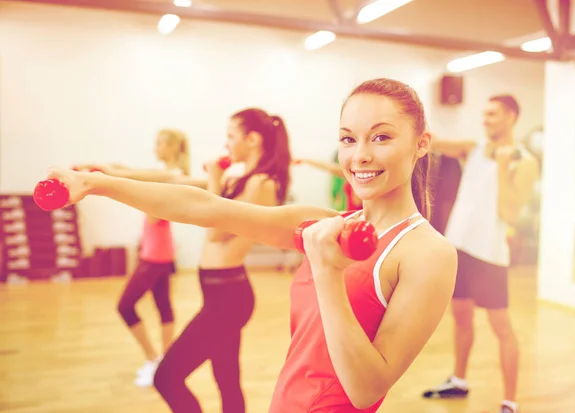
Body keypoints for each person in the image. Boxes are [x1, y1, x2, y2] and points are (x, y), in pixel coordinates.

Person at [44, 78, 457, 412]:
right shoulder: (327, 225)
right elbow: (204, 207)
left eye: (381, 137)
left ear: (421, 143)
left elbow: (366, 389)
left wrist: (327, 273)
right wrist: (96, 184)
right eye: (349, 140)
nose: (360, 155)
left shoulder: (427, 254)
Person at [82, 108, 291, 412]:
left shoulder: (263, 184)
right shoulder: (243, 178)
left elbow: (218, 233)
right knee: (227, 379)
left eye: (231, 137)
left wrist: (215, 181)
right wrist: (108, 173)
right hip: (219, 292)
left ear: (252, 139)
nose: (226, 145)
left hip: (230, 297)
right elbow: (170, 179)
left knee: (166, 378)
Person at [422, 95, 540, 413]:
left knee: (501, 327)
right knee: (460, 318)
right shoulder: (472, 149)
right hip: (458, 248)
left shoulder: (525, 161)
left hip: (489, 256)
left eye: (493, 114)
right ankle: (459, 381)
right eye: (484, 113)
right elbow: (432, 142)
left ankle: (510, 401)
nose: (485, 119)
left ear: (511, 116)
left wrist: (502, 166)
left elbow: (511, 214)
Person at [76, 128, 190, 387]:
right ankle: (165, 363)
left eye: (160, 143)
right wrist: (94, 169)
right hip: (157, 251)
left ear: (173, 147)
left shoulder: (174, 176)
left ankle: (154, 360)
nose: (155, 148)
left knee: (125, 306)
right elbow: (126, 169)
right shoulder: (162, 174)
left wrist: (117, 182)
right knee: (163, 306)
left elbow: (153, 214)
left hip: (156, 254)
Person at [294, 156, 363, 211]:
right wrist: (306, 160)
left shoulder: (357, 174)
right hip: (352, 215)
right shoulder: (350, 173)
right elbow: (331, 168)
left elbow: (332, 168)